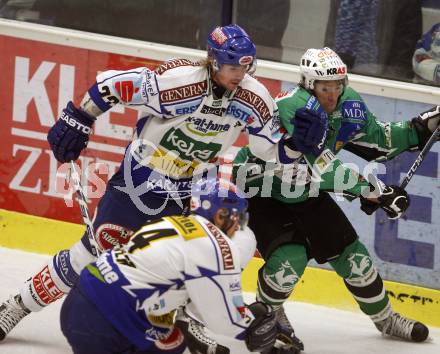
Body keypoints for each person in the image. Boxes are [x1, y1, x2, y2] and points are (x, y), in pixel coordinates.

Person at [0, 24, 295, 344]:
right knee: (91, 254)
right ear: (212, 60)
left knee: (196, 258)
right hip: (142, 179)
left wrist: (299, 145)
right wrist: (80, 117)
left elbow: (270, 148)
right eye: (231, 65)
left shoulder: (254, 97)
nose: (239, 73)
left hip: (196, 187)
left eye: (245, 65)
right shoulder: (178, 83)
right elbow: (110, 85)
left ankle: (180, 320)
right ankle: (18, 305)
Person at [233, 47, 439, 352]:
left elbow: (380, 141)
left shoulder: (349, 104)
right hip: (260, 187)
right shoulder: (295, 107)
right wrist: (376, 192)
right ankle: (269, 315)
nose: (332, 95)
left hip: (302, 188)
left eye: (337, 86)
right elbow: (324, 167)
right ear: (308, 84)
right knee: (290, 259)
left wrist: (423, 126)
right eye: (324, 87)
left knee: (355, 259)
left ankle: (386, 319)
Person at [60, 178, 278, 354]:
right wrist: (254, 324)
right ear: (221, 215)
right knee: (172, 343)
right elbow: (224, 321)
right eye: (239, 217)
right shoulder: (216, 244)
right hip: (109, 322)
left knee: (172, 340)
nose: (239, 226)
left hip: (79, 300)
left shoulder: (170, 222)